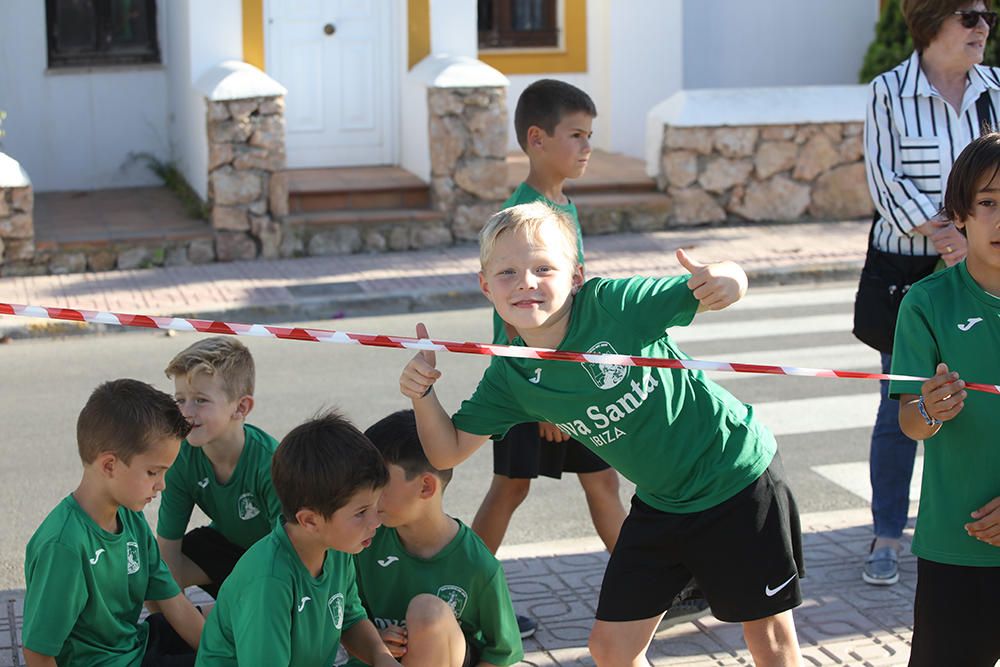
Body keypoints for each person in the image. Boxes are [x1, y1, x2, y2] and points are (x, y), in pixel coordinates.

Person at [400, 203, 803, 666]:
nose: (526, 282)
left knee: (768, 639)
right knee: (611, 649)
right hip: (663, 502)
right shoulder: (511, 372)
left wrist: (729, 279)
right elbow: (446, 452)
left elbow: (717, 283)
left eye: (543, 268)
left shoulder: (615, 304)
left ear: (576, 276)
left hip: (737, 479)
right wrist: (421, 394)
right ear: (485, 285)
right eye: (507, 272)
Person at [473, 78, 707, 633]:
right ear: (536, 138)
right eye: (576, 135)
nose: (586, 147)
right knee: (509, 488)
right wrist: (543, 401)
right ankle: (464, 594)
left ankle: (656, 585)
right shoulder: (523, 213)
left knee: (601, 481)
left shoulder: (561, 204)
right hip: (534, 384)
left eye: (590, 136)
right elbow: (508, 318)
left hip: (575, 378)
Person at [861, 0, 1000, 586]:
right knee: (908, 407)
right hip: (913, 272)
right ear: (933, 21)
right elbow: (883, 179)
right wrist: (952, 239)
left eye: (987, 15)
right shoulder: (888, 90)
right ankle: (888, 533)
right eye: (970, 15)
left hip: (987, 266)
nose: (983, 27)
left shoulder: (995, 87)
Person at [890, 132, 1000, 666]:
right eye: (989, 202)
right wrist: (931, 409)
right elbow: (909, 420)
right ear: (960, 212)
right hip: (957, 544)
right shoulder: (927, 302)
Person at [195, 411, 400, 667]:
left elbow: (349, 618)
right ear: (310, 520)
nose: (376, 521)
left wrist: (382, 657)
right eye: (360, 513)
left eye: (375, 506)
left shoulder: (336, 548)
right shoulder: (270, 581)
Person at [22, 379, 204, 667]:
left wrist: (225, 655)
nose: (162, 485)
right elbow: (38, 652)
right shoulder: (64, 546)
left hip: (135, 645)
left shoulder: (130, 516)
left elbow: (173, 602)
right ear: (109, 466)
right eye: (153, 472)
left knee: (227, 632)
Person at [348, 410, 523, 667]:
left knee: (428, 613)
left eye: (379, 483)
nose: (366, 494)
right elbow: (345, 620)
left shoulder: (478, 565)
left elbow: (501, 653)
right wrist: (375, 646)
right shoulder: (362, 541)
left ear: (426, 487)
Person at [156, 337, 281, 599]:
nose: (186, 412)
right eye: (180, 399)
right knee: (152, 571)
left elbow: (297, 553)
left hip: (275, 560)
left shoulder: (271, 464)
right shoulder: (181, 459)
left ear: (241, 407)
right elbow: (168, 548)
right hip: (228, 548)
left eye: (200, 400)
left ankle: (226, 620)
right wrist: (169, 623)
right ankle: (183, 633)